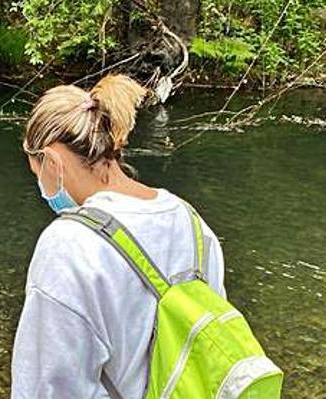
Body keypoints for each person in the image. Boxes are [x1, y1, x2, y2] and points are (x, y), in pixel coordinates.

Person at [11, 74, 226, 398]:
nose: (42, 188)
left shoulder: (68, 246)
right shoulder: (192, 223)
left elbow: (44, 387)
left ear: (52, 162)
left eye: (36, 173)